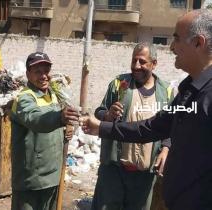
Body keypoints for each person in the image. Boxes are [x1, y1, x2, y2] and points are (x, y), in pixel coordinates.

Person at [81, 9, 212, 210]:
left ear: (198, 43)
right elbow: (153, 128)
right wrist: (102, 126)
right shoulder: (188, 91)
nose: (171, 47)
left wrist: (165, 148)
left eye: (176, 39)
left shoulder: (182, 93)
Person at [91, 42, 174, 210]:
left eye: (142, 61)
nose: (136, 66)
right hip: (114, 169)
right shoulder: (119, 83)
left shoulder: (167, 92)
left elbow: (170, 127)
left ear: (154, 64)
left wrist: (165, 149)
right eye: (134, 60)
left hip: (145, 174)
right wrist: (107, 115)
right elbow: (99, 112)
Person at [11, 52, 79, 210]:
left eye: (46, 71)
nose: (44, 76)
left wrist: (68, 127)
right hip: (31, 180)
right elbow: (36, 120)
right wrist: (59, 119)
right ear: (28, 74)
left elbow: (63, 117)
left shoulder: (53, 95)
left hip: (53, 176)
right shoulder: (25, 98)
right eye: (38, 72)